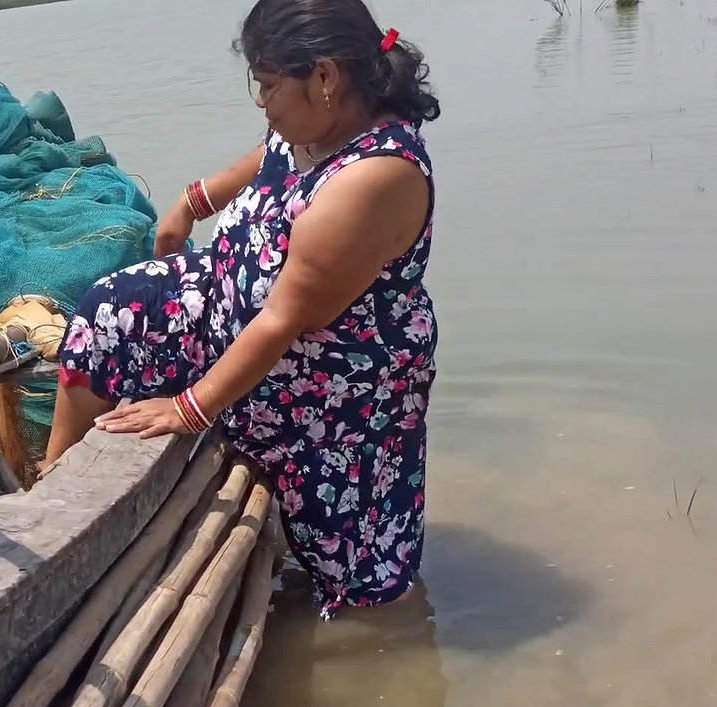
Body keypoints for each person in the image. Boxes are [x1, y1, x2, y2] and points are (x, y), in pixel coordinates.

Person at [41, 0, 441, 620]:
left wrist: (189, 408)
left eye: (269, 85)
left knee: (360, 578)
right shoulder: (313, 127)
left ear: (327, 77)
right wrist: (189, 204)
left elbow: (284, 319)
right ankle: (56, 496)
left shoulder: (374, 176)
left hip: (326, 381)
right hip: (227, 306)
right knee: (110, 310)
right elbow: (263, 161)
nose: (263, 102)